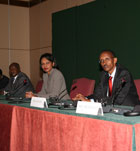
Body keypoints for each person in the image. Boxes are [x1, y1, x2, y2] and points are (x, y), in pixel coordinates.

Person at [73, 50, 140, 106]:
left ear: (114, 60)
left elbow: (117, 99)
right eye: (101, 61)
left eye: (107, 59)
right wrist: (84, 98)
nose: (104, 63)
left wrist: (89, 101)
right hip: (110, 108)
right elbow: (97, 95)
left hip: (128, 110)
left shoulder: (124, 74)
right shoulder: (104, 75)